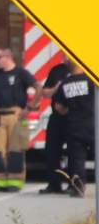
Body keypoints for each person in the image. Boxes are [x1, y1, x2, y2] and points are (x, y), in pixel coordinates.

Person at [0, 48, 39, 193]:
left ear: (8, 57)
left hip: (16, 116)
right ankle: (0, 182)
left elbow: (38, 88)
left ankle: (15, 182)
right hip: (0, 116)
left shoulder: (21, 73)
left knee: (15, 151)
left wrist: (30, 108)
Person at [51, 66, 94, 197]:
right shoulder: (91, 80)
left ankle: (79, 188)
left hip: (74, 125)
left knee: (77, 159)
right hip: (93, 125)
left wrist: (68, 112)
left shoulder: (66, 83)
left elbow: (58, 106)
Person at [38, 58, 74, 194]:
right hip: (57, 117)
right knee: (51, 150)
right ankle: (54, 184)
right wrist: (56, 88)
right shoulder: (57, 70)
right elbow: (45, 93)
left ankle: (73, 184)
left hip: (74, 118)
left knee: (74, 153)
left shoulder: (84, 71)